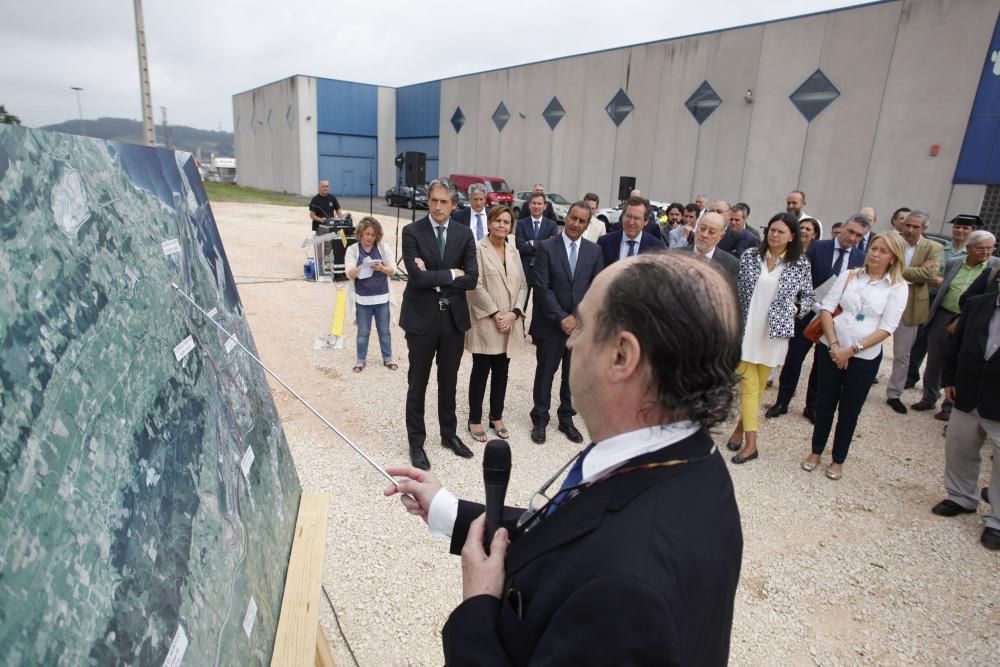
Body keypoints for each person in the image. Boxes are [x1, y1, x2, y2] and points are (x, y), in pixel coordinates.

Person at [385, 252, 744, 665]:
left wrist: (478, 607)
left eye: (583, 324)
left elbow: (599, 558)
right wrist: (448, 511)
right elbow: (573, 534)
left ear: (622, 356)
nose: (570, 339)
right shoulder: (686, 461)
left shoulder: (626, 593)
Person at [803, 232, 908, 480]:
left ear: (893, 257)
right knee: (825, 403)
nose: (875, 254)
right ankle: (816, 451)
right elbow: (827, 307)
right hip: (831, 347)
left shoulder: (898, 287)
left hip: (863, 357)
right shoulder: (850, 275)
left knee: (849, 410)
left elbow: (887, 327)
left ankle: (838, 459)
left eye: (882, 251)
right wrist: (836, 345)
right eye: (873, 248)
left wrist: (851, 350)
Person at [400, 180, 479, 470]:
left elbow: (471, 278)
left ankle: (449, 435)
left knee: (449, 382)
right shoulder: (412, 232)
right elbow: (416, 278)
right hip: (421, 321)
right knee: (417, 383)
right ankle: (416, 443)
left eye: (444, 202)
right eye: (433, 200)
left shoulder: (464, 234)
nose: (437, 206)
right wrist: (450, 273)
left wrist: (434, 274)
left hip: (453, 321)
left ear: (454, 204)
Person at [727, 213, 814, 464]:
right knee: (749, 387)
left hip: (774, 335)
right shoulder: (750, 256)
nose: (774, 235)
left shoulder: (801, 264)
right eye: (772, 230)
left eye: (781, 232)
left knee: (756, 389)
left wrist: (795, 310)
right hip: (746, 331)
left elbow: (809, 298)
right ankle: (752, 445)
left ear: (792, 237)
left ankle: (738, 430)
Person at [768, 215, 869, 421]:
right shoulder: (817, 247)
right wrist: (815, 306)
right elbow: (803, 278)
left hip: (835, 320)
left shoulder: (860, 258)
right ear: (842, 228)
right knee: (794, 360)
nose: (853, 237)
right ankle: (782, 401)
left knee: (822, 364)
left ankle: (812, 406)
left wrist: (834, 312)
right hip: (808, 312)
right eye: (850, 231)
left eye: (859, 235)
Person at [529, 202, 604, 444]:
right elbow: (541, 287)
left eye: (582, 221)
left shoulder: (594, 251)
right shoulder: (547, 247)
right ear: (566, 217)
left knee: (572, 376)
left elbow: (596, 288)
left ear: (587, 224)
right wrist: (562, 317)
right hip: (550, 325)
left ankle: (566, 418)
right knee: (545, 373)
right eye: (573, 218)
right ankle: (540, 418)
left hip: (579, 328)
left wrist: (577, 317)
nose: (576, 224)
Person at [932, 291, 1000, 551]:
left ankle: (997, 521)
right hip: (967, 393)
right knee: (960, 448)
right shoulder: (977, 304)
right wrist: (948, 379)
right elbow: (955, 344)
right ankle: (961, 497)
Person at [911, 230, 998, 419]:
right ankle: (929, 397)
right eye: (981, 248)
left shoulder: (994, 268)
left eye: (990, 248)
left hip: (970, 322)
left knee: (961, 362)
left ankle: (950, 406)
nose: (986, 252)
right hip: (943, 315)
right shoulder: (954, 263)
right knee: (934, 360)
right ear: (969, 248)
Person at [465, 205, 528, 443]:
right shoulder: (478, 249)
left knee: (502, 372)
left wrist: (514, 314)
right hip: (486, 322)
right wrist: (496, 314)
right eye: (498, 221)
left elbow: (523, 285)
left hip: (509, 323)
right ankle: (474, 419)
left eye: (506, 222)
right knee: (481, 372)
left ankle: (496, 416)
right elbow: (475, 285)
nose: (502, 225)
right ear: (490, 222)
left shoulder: (514, 251)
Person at [907, 214, 979, 389]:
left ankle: (936, 385)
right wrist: (928, 275)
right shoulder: (940, 248)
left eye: (965, 228)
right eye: (957, 227)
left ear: (972, 231)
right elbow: (924, 272)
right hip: (929, 297)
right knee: (919, 339)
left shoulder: (971, 254)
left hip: (950, 303)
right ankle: (910, 376)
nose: (960, 231)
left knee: (942, 346)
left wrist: (940, 279)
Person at [885, 211, 943, 414]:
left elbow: (929, 274)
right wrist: (914, 272)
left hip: (910, 306)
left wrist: (897, 269)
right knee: (868, 343)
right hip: (884, 300)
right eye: (907, 225)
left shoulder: (934, 248)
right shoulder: (892, 241)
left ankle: (894, 394)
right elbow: (881, 266)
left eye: (915, 227)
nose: (909, 230)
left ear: (924, 229)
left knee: (902, 354)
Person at [344, 217, 397, 373]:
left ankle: (388, 359)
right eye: (367, 234)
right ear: (360, 233)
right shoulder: (352, 250)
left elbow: (393, 269)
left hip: (382, 298)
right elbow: (349, 273)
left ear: (377, 236)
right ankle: (360, 361)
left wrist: (381, 268)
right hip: (362, 299)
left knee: (384, 331)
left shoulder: (383, 248)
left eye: (373, 235)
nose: (369, 238)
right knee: (363, 332)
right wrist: (362, 266)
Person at [515, 192, 559, 305]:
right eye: (534, 203)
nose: (536, 206)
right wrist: (544, 245)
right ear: (529, 205)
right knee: (521, 304)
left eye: (539, 204)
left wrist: (533, 243)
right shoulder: (521, 224)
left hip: (543, 271)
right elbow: (520, 246)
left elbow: (553, 247)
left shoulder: (552, 225)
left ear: (545, 206)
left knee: (540, 306)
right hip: (524, 270)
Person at [597, 195, 665, 266]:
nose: (631, 222)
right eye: (628, 216)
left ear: (646, 221)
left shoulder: (656, 247)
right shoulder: (604, 242)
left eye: (636, 218)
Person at [681, 211, 739, 277]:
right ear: (696, 228)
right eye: (702, 229)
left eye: (712, 232)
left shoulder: (731, 265)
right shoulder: (676, 255)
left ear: (721, 236)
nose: (704, 235)